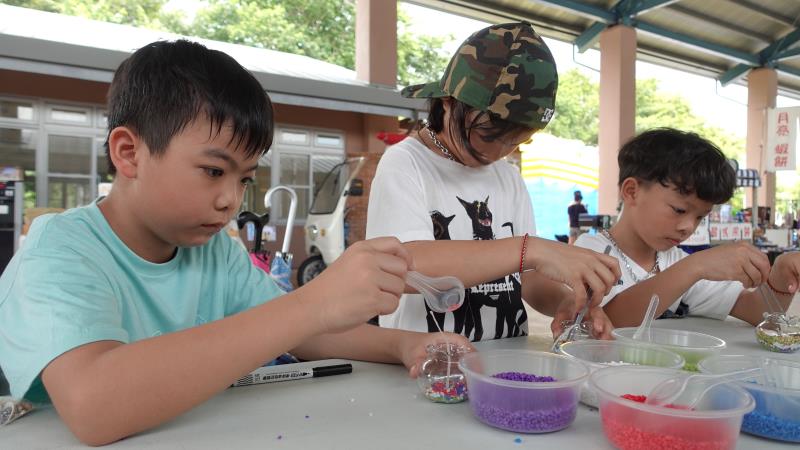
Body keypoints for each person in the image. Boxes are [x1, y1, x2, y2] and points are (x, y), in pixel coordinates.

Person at [0, 40, 474, 445]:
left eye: (244, 178)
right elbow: (93, 406)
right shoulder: (60, 251)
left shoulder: (215, 253)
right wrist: (313, 302)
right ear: (130, 153)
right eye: (213, 171)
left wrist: (405, 345)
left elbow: (304, 332)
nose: (230, 199)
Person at [366, 22, 620, 343]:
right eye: (490, 135)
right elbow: (403, 268)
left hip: (504, 360)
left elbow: (527, 277)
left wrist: (566, 302)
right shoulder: (406, 163)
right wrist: (531, 250)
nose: (500, 151)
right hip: (424, 363)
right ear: (448, 102)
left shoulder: (507, 176)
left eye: (517, 142)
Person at [575, 128, 799, 327]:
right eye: (679, 210)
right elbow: (606, 319)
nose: (688, 227)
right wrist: (696, 266)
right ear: (632, 191)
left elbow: (755, 311)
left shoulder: (674, 261)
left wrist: (782, 273)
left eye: (701, 217)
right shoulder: (590, 252)